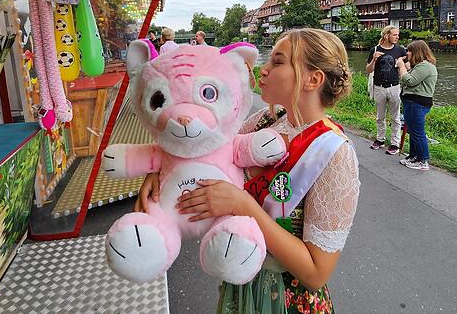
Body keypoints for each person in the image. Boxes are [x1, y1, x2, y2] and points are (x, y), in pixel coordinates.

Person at [136, 28, 360, 313]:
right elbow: (205, 149)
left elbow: (316, 273)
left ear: (312, 79)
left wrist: (242, 205)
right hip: (242, 277)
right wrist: (157, 173)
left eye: (277, 62)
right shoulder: (268, 118)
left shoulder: (334, 152)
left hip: (286, 298)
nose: (262, 69)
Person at [364, 26, 406, 155]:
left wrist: (402, 63)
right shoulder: (375, 50)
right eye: (394, 35)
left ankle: (395, 143)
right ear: (387, 35)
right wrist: (374, 59)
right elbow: (368, 70)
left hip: (394, 87)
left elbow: (408, 65)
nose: (397, 37)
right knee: (380, 117)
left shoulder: (400, 50)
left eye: (398, 35)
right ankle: (380, 139)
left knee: (395, 117)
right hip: (379, 87)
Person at [397, 40, 438, 171]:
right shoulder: (419, 66)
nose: (407, 53)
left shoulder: (425, 66)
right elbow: (405, 81)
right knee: (413, 131)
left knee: (418, 132)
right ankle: (413, 156)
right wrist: (406, 69)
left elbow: (410, 81)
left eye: (409, 51)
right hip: (412, 102)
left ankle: (423, 160)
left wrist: (402, 67)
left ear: (416, 52)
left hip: (417, 103)